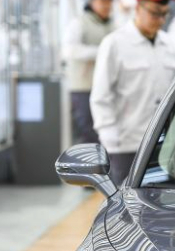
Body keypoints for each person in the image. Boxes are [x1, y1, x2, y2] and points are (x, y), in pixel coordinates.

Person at [90, 0, 175, 185]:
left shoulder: (168, 43)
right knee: (126, 205)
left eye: (165, 14)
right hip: (126, 144)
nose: (161, 20)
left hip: (162, 144)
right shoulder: (114, 43)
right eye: (155, 13)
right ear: (138, 8)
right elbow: (101, 95)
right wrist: (109, 136)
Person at [62, 0, 115, 145]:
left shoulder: (113, 25)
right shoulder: (79, 23)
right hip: (84, 87)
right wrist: (99, 52)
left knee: (105, 128)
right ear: (91, 3)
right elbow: (69, 50)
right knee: (87, 129)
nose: (107, 6)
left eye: (109, 3)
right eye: (103, 3)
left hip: (107, 87)